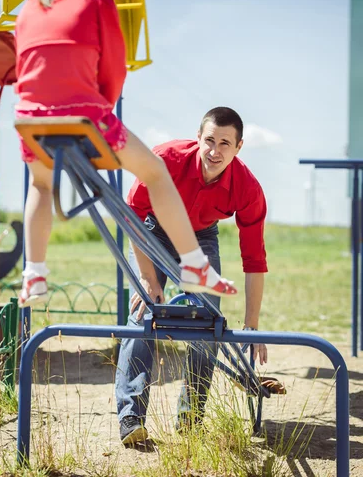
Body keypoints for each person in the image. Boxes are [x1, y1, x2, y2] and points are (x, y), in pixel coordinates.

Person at [13, 0, 236, 308]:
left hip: (31, 121)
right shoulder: (98, 3)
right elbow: (114, 73)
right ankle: (193, 263)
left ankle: (34, 272)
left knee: (40, 186)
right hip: (85, 116)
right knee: (154, 172)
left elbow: (27, 69)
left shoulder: (29, 9)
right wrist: (100, 106)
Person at [115, 106, 268, 446]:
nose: (215, 151)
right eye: (209, 140)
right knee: (145, 312)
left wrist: (252, 324)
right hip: (151, 229)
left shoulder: (246, 187)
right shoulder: (165, 160)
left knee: (206, 321)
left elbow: (254, 259)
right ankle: (131, 418)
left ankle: (190, 418)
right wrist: (148, 279)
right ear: (198, 137)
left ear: (239, 147)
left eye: (225, 143)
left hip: (201, 236)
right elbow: (131, 214)